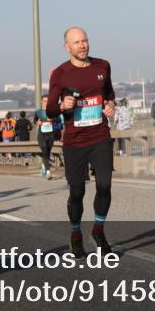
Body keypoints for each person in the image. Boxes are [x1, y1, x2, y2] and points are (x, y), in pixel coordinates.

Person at [45, 26, 116, 257]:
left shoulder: (102, 66)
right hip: (75, 141)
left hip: (100, 136)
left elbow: (109, 93)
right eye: (76, 42)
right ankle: (75, 233)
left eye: (85, 41)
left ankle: (98, 230)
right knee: (77, 191)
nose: (82, 45)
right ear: (67, 47)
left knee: (104, 185)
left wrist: (110, 105)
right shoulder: (60, 73)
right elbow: (50, 110)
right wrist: (63, 106)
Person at [34, 95, 63, 179]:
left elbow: (59, 121)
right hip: (41, 134)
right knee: (44, 149)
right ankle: (48, 172)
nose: (45, 102)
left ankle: (44, 166)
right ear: (41, 101)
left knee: (47, 152)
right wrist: (37, 123)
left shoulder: (52, 111)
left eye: (47, 101)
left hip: (50, 134)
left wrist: (53, 120)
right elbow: (35, 121)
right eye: (44, 101)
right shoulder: (38, 112)